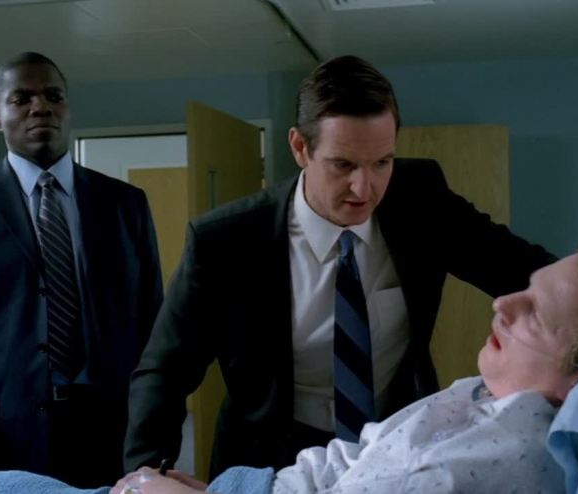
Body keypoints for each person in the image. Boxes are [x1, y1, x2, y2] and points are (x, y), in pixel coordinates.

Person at [123, 54, 556, 478]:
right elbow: (166, 369)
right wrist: (146, 476)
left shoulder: (420, 198)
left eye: (382, 163)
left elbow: (524, 271)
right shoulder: (227, 241)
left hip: (395, 448)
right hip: (269, 456)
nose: (364, 188)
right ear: (300, 147)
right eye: (343, 165)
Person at [109, 231, 578, 493]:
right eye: (522, 289)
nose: (501, 303)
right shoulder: (481, 393)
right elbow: (366, 452)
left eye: (535, 314)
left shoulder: (506, 454)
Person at [0, 52, 164, 488]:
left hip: (111, 439)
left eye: (53, 96)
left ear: (67, 108)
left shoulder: (124, 204)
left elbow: (154, 332)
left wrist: (151, 442)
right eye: (21, 99)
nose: (40, 107)